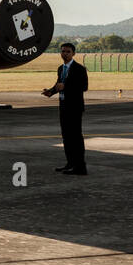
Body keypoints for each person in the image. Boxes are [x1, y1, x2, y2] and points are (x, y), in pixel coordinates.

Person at [42, 42, 88, 175]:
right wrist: (50, 92)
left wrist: (66, 87)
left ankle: (80, 167)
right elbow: (59, 84)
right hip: (64, 106)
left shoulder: (79, 69)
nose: (65, 54)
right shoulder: (61, 68)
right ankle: (70, 163)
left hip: (75, 107)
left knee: (75, 137)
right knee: (66, 137)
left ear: (73, 53)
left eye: (68, 51)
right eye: (63, 51)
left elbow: (84, 87)